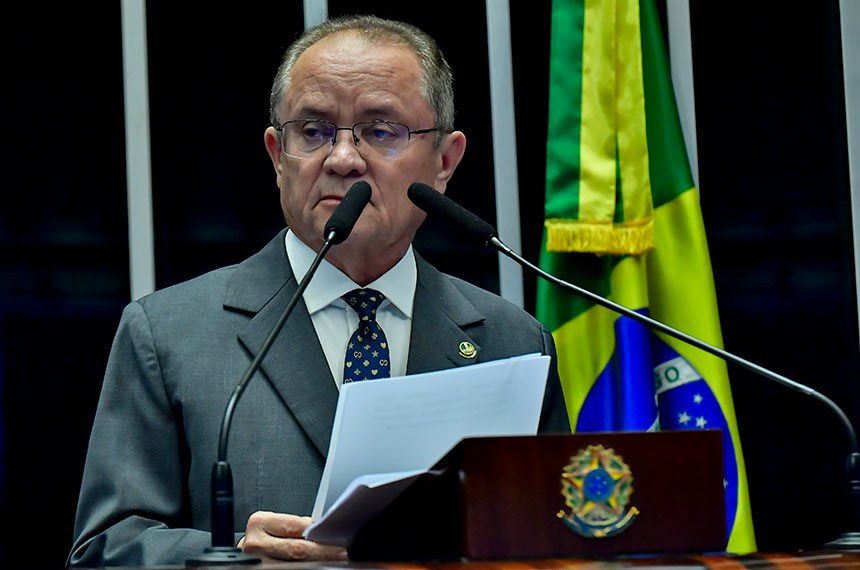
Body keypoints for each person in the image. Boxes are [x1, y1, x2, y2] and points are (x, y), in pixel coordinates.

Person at [68, 14, 570, 567]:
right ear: (276, 155)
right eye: (313, 131)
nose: (343, 159)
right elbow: (104, 551)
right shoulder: (169, 336)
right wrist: (233, 557)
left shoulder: (513, 341)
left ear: (446, 160)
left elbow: (550, 543)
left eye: (381, 131)